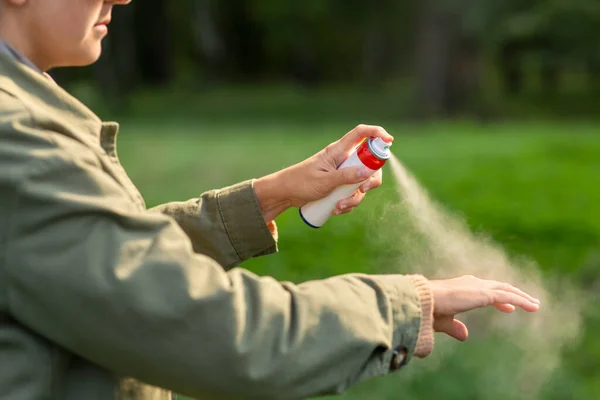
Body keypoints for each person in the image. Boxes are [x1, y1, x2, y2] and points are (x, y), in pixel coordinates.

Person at [0, 1, 540, 399]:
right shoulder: (17, 136)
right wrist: (404, 305)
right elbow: (203, 328)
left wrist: (274, 196)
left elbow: (102, 264)